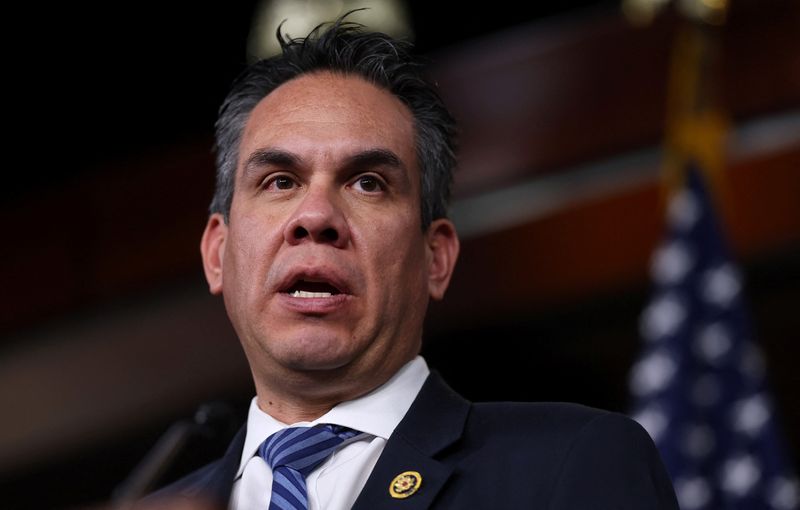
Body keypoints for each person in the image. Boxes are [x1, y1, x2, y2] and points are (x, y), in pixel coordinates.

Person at [150, 13, 679, 510]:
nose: (315, 216)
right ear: (218, 254)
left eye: (367, 183)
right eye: (280, 181)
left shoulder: (572, 465)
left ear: (436, 258)